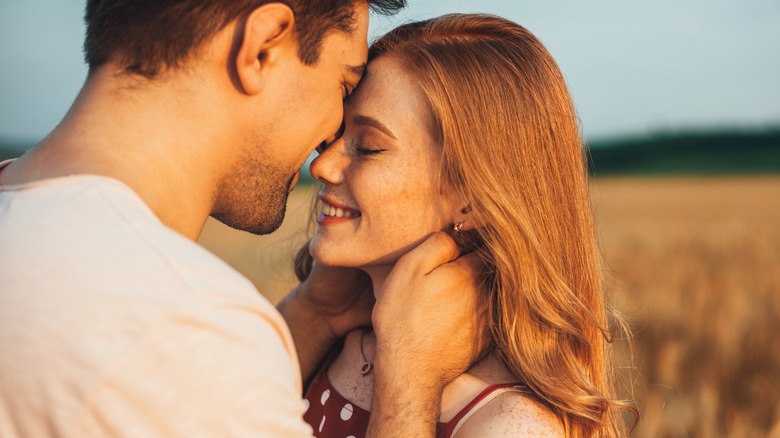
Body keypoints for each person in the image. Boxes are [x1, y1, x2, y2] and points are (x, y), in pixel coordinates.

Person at [0, 1, 484, 436]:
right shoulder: (186, 329)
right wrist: (408, 386)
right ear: (261, 46)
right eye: (344, 84)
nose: (327, 144)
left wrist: (314, 314)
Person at [296, 14, 636, 437]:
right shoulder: (333, 342)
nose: (322, 166)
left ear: (472, 199)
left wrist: (407, 379)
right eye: (331, 139)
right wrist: (314, 313)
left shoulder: (511, 425)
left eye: (367, 147)